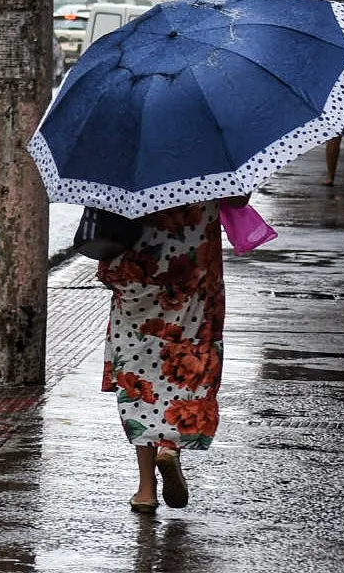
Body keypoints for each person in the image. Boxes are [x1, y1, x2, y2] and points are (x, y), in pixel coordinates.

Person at [96, 195, 246, 514]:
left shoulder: (129, 154)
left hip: (139, 277)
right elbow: (239, 198)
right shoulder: (209, 156)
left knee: (139, 377)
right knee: (187, 367)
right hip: (194, 276)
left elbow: (105, 211)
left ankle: (146, 490)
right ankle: (170, 446)